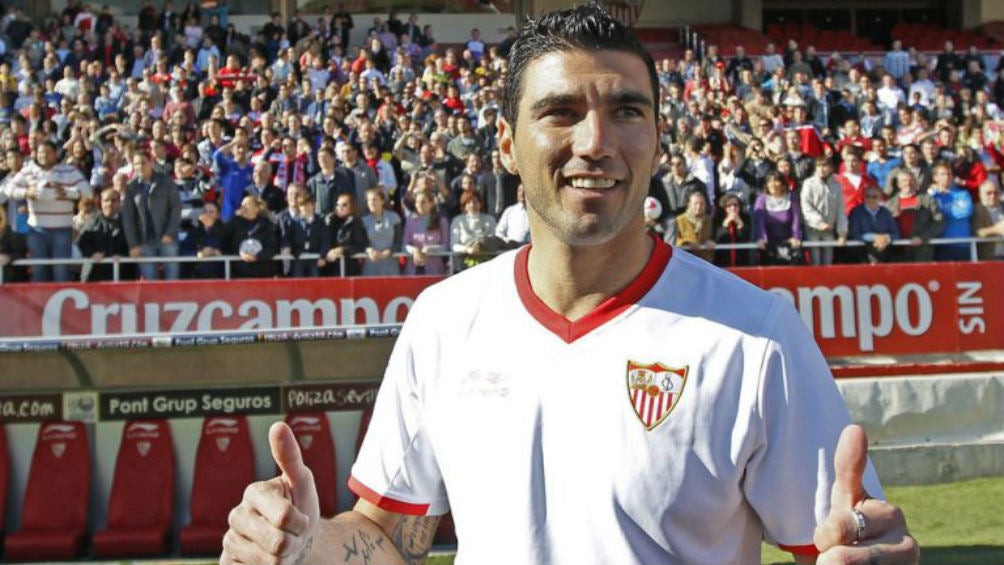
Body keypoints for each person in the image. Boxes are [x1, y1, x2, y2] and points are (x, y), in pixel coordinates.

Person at [221, 6, 918, 565]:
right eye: (560, 112)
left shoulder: (756, 336)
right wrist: (308, 545)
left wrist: (869, 550)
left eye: (627, 110)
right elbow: (387, 534)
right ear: (504, 143)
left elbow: (836, 543)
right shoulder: (444, 319)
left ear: (656, 137)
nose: (596, 140)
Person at [2, 140, 91, 282]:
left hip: (62, 229)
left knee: (61, 271)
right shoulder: (28, 171)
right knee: (39, 270)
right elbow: (8, 189)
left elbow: (88, 191)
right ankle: (39, 303)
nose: (43, 155)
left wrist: (68, 193)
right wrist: (26, 192)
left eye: (48, 152)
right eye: (41, 152)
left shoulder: (69, 171)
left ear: (55, 154)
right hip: (37, 230)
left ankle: (62, 303)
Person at [121, 152, 182, 280]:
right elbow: (128, 218)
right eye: (137, 163)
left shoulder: (166, 182)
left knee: (173, 279)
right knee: (150, 283)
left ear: (151, 163)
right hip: (144, 241)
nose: (140, 166)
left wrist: (170, 233)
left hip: (167, 239)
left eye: (143, 162)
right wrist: (133, 244)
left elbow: (176, 208)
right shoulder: (131, 187)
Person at [885, 170, 944, 263]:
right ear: (899, 184)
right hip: (897, 250)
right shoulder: (889, 205)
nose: (908, 183)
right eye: (904, 181)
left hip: (922, 250)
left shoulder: (928, 200)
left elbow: (939, 222)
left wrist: (922, 237)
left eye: (911, 180)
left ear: (915, 182)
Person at [76, 187, 132, 281]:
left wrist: (123, 256)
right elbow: (82, 241)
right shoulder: (92, 221)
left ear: (120, 202)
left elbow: (134, 244)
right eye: (106, 200)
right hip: (95, 275)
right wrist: (92, 254)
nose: (110, 204)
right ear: (101, 202)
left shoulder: (128, 222)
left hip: (123, 274)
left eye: (114, 200)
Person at [800, 157, 847, 266]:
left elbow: (840, 210)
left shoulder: (836, 186)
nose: (822, 169)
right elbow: (806, 206)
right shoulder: (808, 183)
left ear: (831, 168)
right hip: (812, 228)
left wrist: (842, 233)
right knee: (815, 259)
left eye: (825, 166)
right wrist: (819, 222)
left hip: (829, 229)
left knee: (828, 261)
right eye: (819, 166)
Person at [754, 171, 804, 265]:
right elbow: (759, 221)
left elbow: (796, 219)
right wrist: (761, 238)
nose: (773, 184)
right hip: (768, 243)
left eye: (776, 181)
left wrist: (796, 237)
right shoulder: (761, 199)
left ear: (782, 184)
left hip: (788, 242)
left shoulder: (792, 197)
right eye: (770, 182)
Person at [848, 184, 900, 264]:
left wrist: (885, 238)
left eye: (874, 197)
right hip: (862, 253)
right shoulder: (856, 212)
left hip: (884, 251)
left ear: (880, 198)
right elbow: (854, 234)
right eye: (867, 196)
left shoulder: (886, 213)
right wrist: (874, 237)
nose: (870, 199)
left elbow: (896, 234)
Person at [402, 188, 448, 275]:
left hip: (435, 270)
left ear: (431, 203)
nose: (419, 205)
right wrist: (414, 250)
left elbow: (445, 246)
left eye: (423, 202)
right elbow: (404, 246)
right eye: (417, 202)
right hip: (413, 269)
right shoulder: (410, 221)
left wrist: (430, 249)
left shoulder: (442, 221)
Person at [324, 192, 369, 277]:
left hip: (349, 268)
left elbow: (360, 246)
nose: (340, 208)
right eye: (337, 205)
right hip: (329, 268)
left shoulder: (356, 223)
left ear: (351, 207)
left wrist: (342, 250)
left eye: (344, 205)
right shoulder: (330, 221)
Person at [449, 189, 496, 269]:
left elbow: (493, 240)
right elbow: (454, 245)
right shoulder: (457, 220)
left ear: (480, 204)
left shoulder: (490, 219)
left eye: (475, 202)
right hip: (462, 265)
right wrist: (468, 249)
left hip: (485, 264)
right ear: (464, 206)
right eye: (468, 202)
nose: (472, 205)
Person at [361, 186, 402, 276]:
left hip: (390, 265)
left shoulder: (394, 218)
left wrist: (390, 251)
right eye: (369, 200)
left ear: (382, 201)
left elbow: (399, 241)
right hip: (371, 266)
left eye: (374, 199)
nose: (371, 203)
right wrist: (369, 250)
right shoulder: (363, 221)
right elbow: (362, 242)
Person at [671, 188, 713, 261]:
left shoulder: (709, 220)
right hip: (685, 260)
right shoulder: (679, 220)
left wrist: (711, 242)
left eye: (701, 204)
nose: (698, 207)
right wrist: (687, 243)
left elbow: (713, 237)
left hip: (704, 261)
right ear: (689, 205)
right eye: (695, 204)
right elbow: (674, 241)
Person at [713, 192, 752, 267]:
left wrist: (740, 225)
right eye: (729, 206)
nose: (733, 208)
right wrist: (725, 225)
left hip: (742, 261)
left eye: (735, 205)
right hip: (723, 261)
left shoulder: (746, 219)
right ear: (724, 208)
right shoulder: (718, 219)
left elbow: (747, 239)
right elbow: (719, 239)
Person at [971, 179, 1004, 261]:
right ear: (980, 194)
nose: (992, 196)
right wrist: (996, 229)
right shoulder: (977, 210)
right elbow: (976, 232)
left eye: (995, 193)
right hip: (990, 257)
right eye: (988, 193)